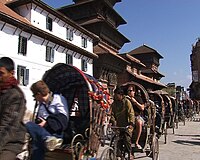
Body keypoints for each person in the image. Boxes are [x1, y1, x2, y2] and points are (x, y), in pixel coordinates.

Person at [25, 80, 69, 160]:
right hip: (43, 132)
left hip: (56, 133)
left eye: (34, 96)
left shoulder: (58, 99)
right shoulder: (41, 105)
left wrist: (46, 123)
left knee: (37, 144)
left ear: (38, 94)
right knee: (29, 125)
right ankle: (47, 138)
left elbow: (63, 121)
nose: (34, 98)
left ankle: (48, 138)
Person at [0, 57, 27, 159]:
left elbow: (8, 127)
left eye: (1, 74)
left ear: (11, 73)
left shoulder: (16, 96)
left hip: (10, 142)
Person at [109, 86, 135, 159]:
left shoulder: (127, 102)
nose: (115, 96)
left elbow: (131, 113)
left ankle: (130, 153)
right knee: (117, 140)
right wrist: (113, 122)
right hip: (119, 126)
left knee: (127, 138)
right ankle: (118, 153)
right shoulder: (114, 103)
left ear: (121, 95)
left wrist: (131, 123)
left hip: (128, 126)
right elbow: (112, 114)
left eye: (116, 94)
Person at [126, 84, 145, 150]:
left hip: (137, 116)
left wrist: (135, 102)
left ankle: (136, 142)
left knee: (139, 122)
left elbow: (142, 108)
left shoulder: (138, 98)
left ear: (134, 91)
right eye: (128, 91)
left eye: (130, 90)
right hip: (127, 116)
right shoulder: (125, 99)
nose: (129, 92)